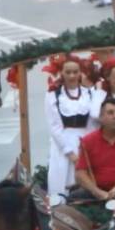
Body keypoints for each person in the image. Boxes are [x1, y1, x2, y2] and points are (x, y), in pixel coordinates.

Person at [44, 55, 93, 199]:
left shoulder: (88, 93)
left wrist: (88, 148)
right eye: (68, 72)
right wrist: (70, 153)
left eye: (75, 72)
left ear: (80, 73)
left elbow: (92, 122)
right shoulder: (54, 95)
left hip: (84, 141)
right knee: (62, 180)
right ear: (62, 73)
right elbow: (54, 126)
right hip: (62, 144)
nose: (72, 76)